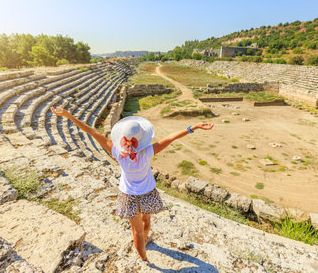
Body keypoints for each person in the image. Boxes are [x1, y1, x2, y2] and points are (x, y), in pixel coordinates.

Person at [51, 106, 214, 262]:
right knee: (146, 222)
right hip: (148, 193)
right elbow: (171, 137)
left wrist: (68, 116)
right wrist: (194, 127)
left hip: (128, 195)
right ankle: (146, 241)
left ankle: (142, 257)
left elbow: (92, 131)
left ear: (122, 138)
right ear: (142, 139)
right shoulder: (148, 152)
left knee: (136, 232)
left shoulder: (115, 151)